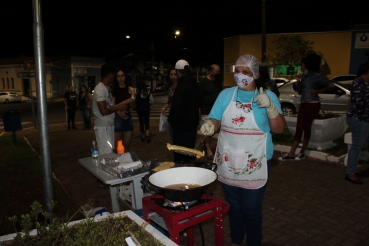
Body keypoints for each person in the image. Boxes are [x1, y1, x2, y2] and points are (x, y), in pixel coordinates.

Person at [200, 54, 285, 246]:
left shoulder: (268, 96)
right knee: (234, 206)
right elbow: (216, 119)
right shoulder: (225, 95)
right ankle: (236, 240)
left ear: (254, 73)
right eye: (237, 71)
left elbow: (279, 129)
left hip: (257, 162)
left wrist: (271, 108)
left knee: (251, 208)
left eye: (245, 71)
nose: (240, 75)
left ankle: (254, 242)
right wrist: (210, 126)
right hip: (228, 160)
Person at [279, 53, 335, 161]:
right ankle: (292, 153)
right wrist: (298, 82)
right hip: (304, 103)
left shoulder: (316, 76)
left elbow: (331, 85)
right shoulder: (304, 76)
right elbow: (300, 92)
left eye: (302, 65)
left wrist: (318, 91)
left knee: (306, 127)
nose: (301, 67)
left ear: (308, 65)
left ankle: (301, 152)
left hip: (313, 104)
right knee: (299, 127)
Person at [92, 64, 133, 155]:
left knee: (111, 152)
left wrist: (117, 109)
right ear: (111, 75)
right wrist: (118, 108)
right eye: (115, 75)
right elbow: (104, 111)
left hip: (109, 126)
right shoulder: (99, 89)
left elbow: (110, 106)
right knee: (106, 154)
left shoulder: (106, 88)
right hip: (103, 128)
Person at [168, 59, 200, 164]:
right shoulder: (194, 84)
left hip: (181, 128)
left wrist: (171, 119)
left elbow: (176, 108)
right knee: (190, 154)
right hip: (192, 126)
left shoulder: (181, 86)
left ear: (178, 71)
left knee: (180, 157)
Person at [345, 62, 369, 185]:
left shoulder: (364, 83)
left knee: (359, 146)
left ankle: (353, 169)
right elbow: (360, 102)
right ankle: (350, 172)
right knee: (356, 146)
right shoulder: (358, 83)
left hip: (363, 119)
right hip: (359, 119)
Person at [198, 64, 222, 159]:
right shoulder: (203, 82)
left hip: (216, 110)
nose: (218, 73)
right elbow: (199, 98)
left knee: (214, 130)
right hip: (205, 111)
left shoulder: (218, 82)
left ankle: (204, 142)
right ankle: (208, 149)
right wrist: (199, 111)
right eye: (216, 71)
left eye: (219, 71)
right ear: (211, 71)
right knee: (207, 130)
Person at [112, 69, 136, 152]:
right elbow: (112, 105)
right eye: (118, 76)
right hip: (117, 118)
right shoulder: (114, 90)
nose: (121, 78)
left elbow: (133, 106)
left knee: (126, 147)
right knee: (117, 147)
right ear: (116, 78)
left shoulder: (130, 89)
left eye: (122, 75)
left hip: (127, 117)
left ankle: (126, 164)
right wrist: (118, 111)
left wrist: (133, 94)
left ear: (125, 77)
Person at [161, 66, 178, 141]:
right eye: (171, 74)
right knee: (173, 139)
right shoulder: (170, 87)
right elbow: (170, 101)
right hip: (171, 116)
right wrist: (165, 107)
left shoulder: (181, 86)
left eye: (175, 74)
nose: (173, 77)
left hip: (179, 116)